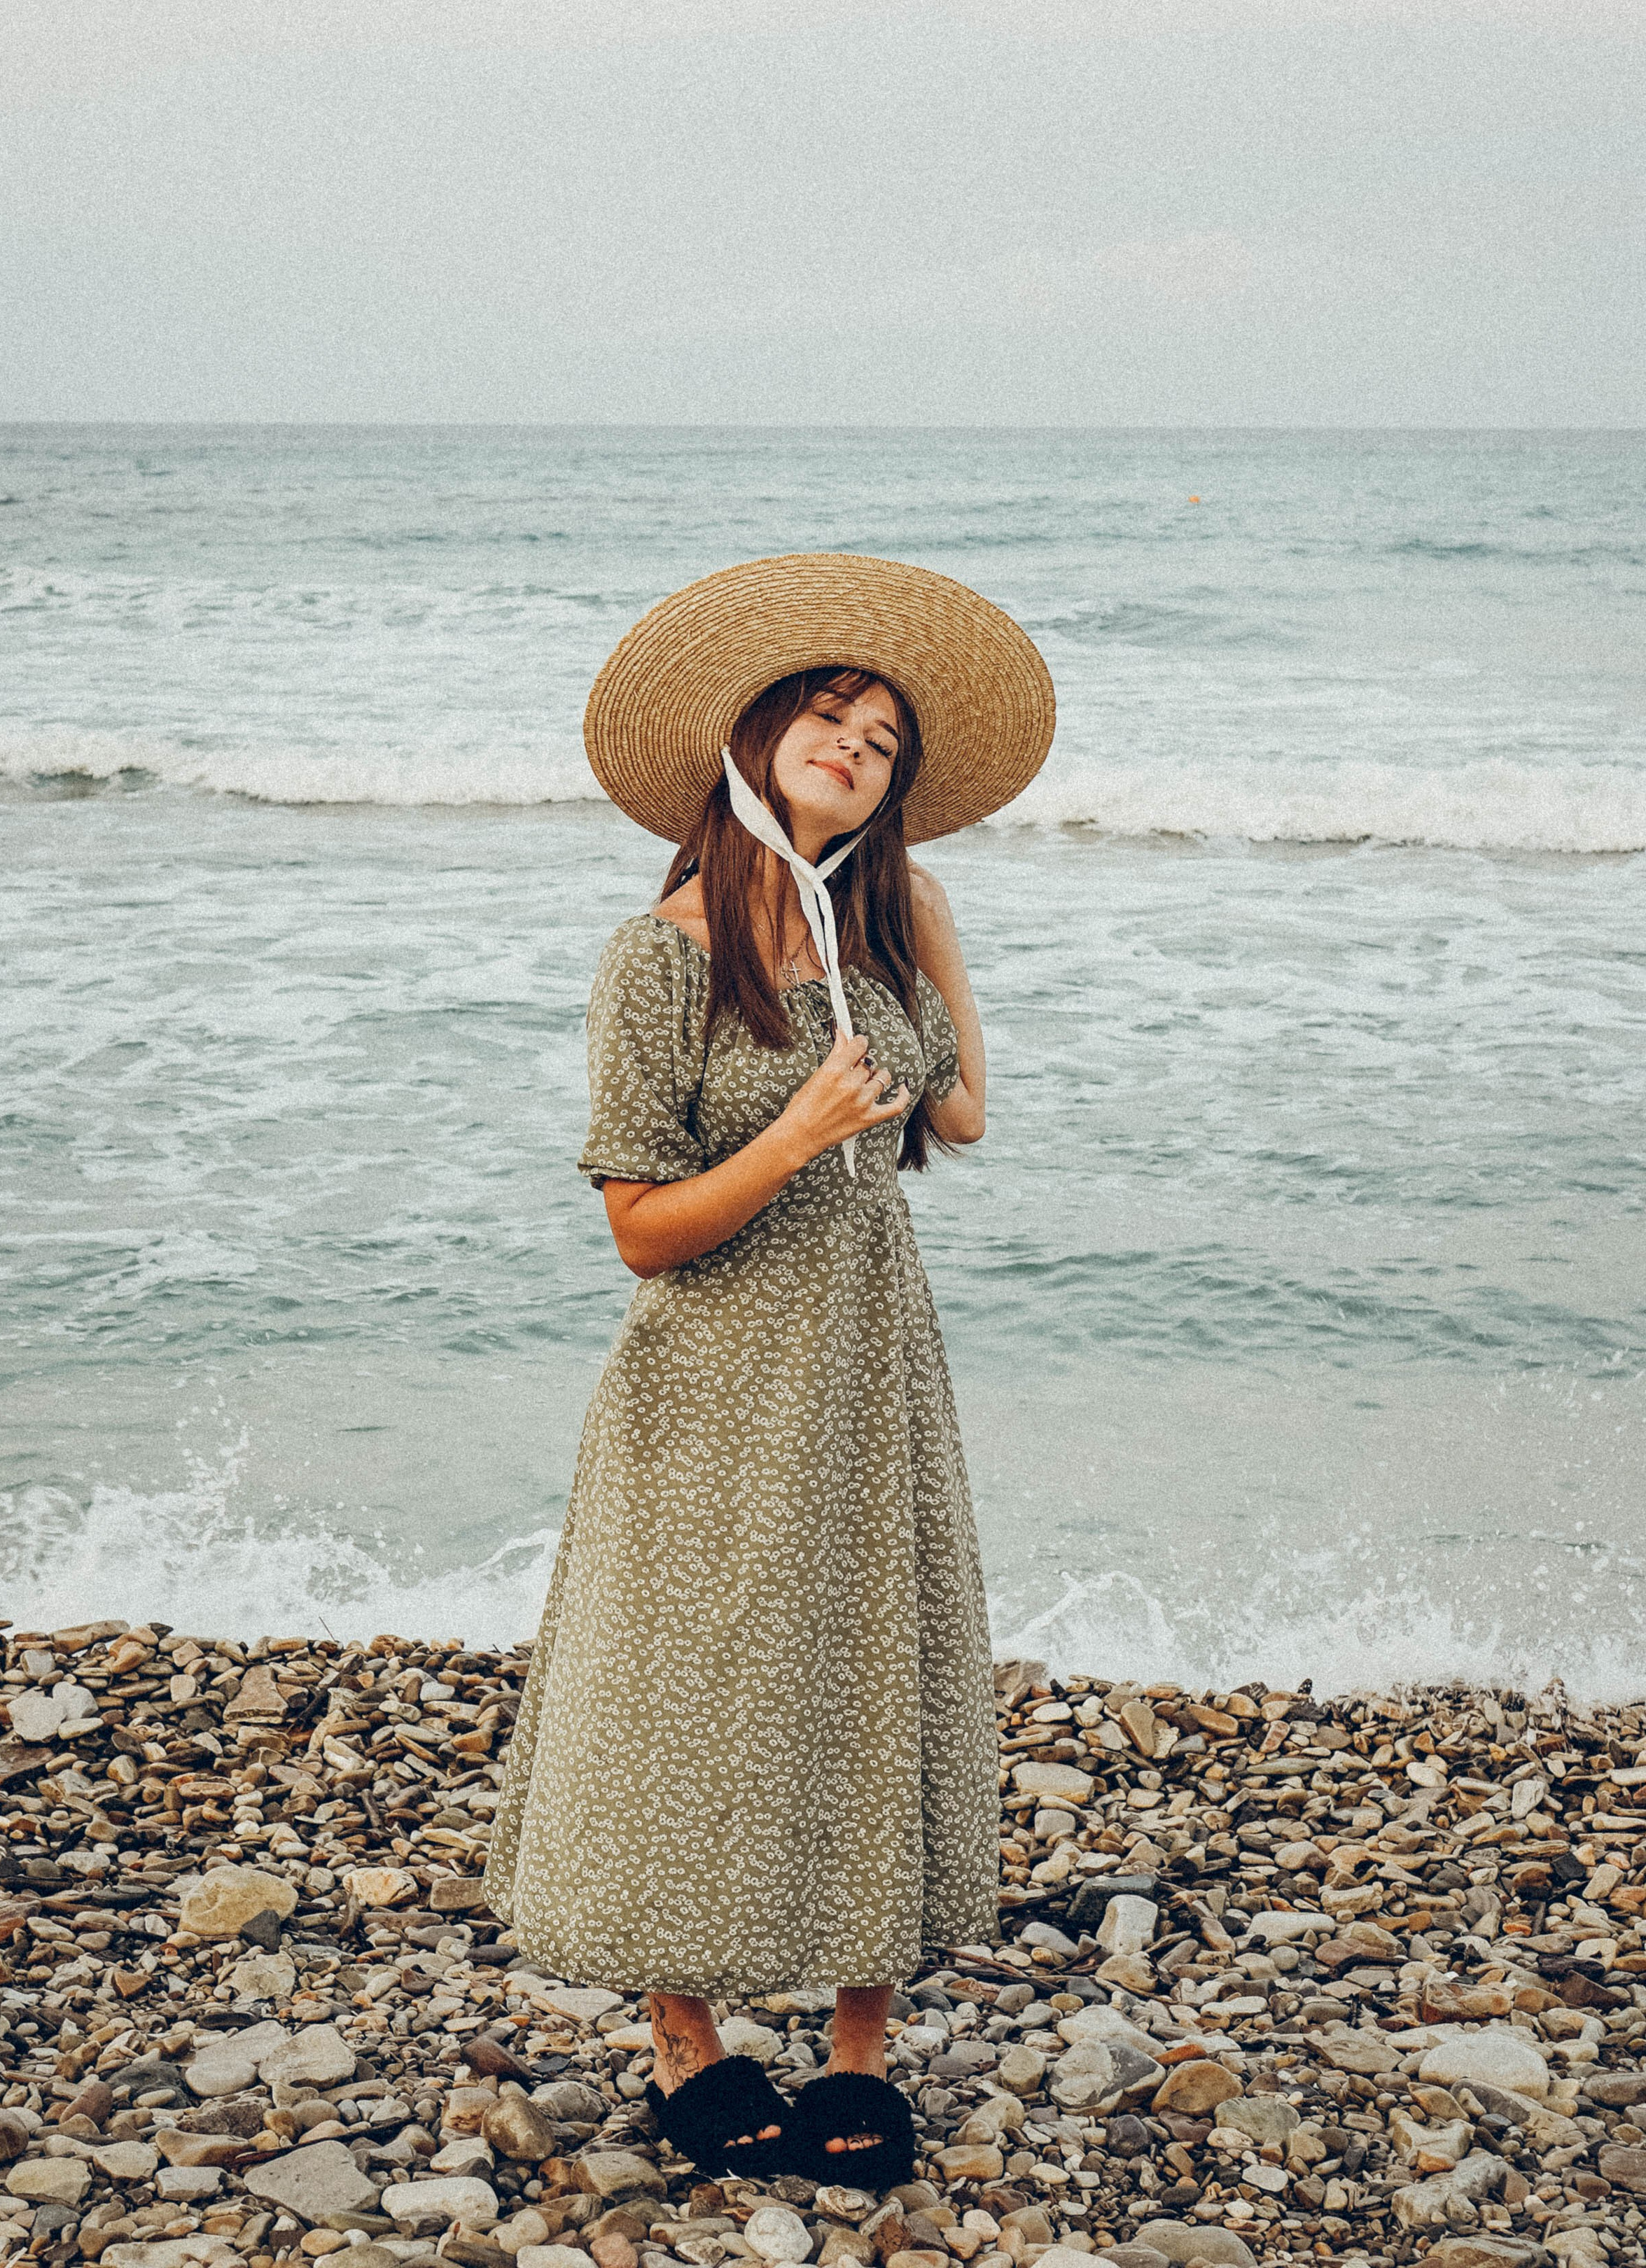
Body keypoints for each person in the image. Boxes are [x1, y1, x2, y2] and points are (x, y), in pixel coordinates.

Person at [484, 553, 1055, 2190]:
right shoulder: (658, 954)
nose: (858, 741)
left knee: (872, 1673)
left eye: (884, 735)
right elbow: (642, 1231)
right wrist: (797, 1127)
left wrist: (931, 932)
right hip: (710, 1379)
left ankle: (860, 2049)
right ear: (748, 739)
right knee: (692, 1684)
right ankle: (684, 2031)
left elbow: (954, 1119)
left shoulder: (876, 931)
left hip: (872, 1367)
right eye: (828, 713)